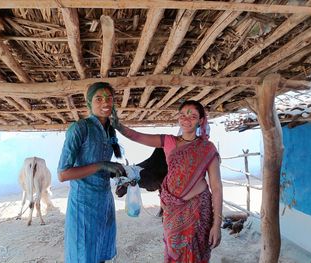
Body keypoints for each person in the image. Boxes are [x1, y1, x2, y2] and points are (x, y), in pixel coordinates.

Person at [113, 100, 223, 263]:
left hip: (199, 209)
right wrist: (118, 126)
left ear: (200, 121)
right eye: (183, 115)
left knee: (196, 256)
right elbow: (136, 136)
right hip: (172, 210)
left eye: (193, 116)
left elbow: (216, 186)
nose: (187, 119)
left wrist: (217, 224)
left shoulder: (208, 148)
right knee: (174, 253)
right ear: (178, 118)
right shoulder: (168, 141)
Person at [57, 82, 125, 263]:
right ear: (89, 103)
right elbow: (63, 174)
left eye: (109, 98)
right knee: (84, 253)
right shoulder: (79, 128)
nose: (105, 102)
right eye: (99, 98)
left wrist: (117, 174)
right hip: (83, 203)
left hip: (104, 200)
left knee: (101, 249)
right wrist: (102, 165)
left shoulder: (110, 130)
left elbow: (107, 163)